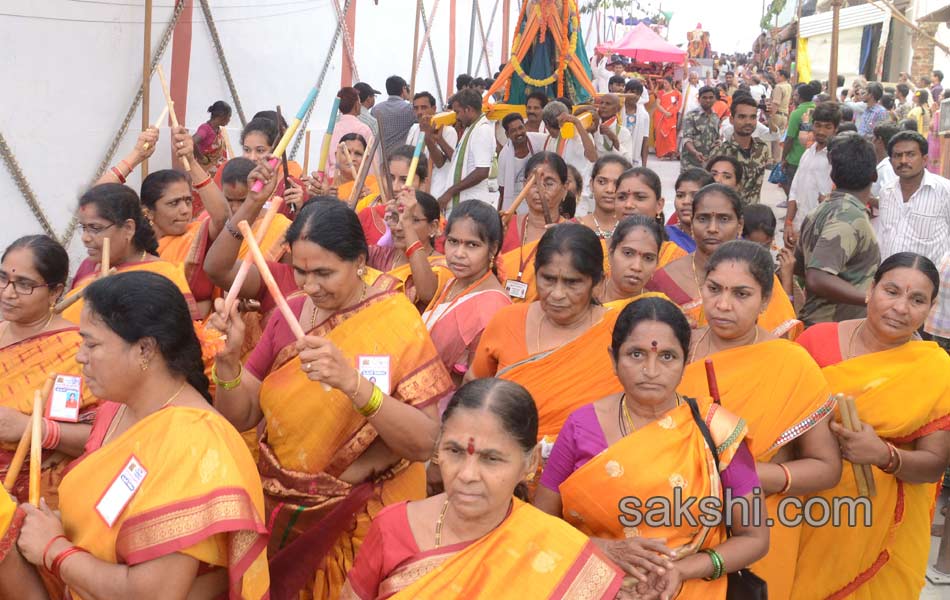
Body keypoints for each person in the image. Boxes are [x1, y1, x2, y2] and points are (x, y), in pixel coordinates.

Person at [208, 188, 453, 599]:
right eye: (301, 272)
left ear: (359, 262)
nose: (310, 286)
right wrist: (228, 366)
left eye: (324, 273)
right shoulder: (288, 314)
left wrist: (354, 385)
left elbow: (426, 441)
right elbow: (243, 414)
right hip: (282, 512)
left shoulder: (394, 317)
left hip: (360, 516)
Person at [16, 271, 270, 599]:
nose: (80, 356)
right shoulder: (116, 408)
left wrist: (54, 550)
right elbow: (106, 515)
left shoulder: (196, 445)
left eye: (92, 343)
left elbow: (153, 593)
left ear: (145, 349)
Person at [534, 296, 770, 600]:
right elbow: (542, 524)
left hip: (693, 589)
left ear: (687, 360)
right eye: (636, 354)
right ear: (613, 358)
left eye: (668, 357)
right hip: (596, 585)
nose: (651, 369)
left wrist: (683, 570)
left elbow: (755, 537)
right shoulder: (581, 426)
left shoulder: (717, 430)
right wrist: (604, 548)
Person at [342, 378, 625, 599]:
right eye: (454, 451)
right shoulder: (392, 527)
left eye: (491, 459)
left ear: (530, 463)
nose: (467, 475)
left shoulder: (557, 549)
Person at [679, 240, 841, 600]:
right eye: (714, 289)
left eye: (741, 294)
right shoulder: (679, 349)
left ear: (766, 301)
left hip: (762, 525)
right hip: (674, 518)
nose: (723, 305)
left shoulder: (791, 363)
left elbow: (826, 468)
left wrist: (747, 477)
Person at [793, 253, 950, 600]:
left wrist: (884, 455)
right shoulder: (815, 341)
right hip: (805, 506)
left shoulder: (935, 370)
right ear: (870, 290)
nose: (900, 307)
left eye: (917, 299)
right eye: (891, 291)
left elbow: (934, 464)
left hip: (879, 521)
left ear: (931, 308)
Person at [473, 224, 636, 440]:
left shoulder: (620, 333)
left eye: (572, 282)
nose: (557, 294)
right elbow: (475, 390)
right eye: (548, 279)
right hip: (505, 464)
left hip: (587, 467)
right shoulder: (507, 320)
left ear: (597, 283)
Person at [0, 236, 97, 507]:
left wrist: (29, 428)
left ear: (55, 291)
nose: (8, 292)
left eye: (24, 284)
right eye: (3, 278)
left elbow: (101, 437)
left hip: (32, 501)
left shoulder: (75, 350)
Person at [646, 184, 800, 336]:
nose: (712, 228)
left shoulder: (759, 277)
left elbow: (780, 343)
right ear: (692, 223)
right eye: (703, 218)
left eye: (724, 219)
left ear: (740, 225)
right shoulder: (663, 280)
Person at [60, 183, 198, 323]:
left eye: (95, 228)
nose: (85, 238)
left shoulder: (163, 275)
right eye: (83, 227)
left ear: (128, 228)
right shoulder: (88, 267)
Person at [795, 133, 881, 326]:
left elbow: (800, 266)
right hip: (831, 330)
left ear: (832, 175)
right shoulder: (849, 218)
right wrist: (873, 299)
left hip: (824, 325)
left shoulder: (821, 211)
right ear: (874, 175)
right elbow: (817, 277)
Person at [143, 131, 230, 318]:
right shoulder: (135, 250)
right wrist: (136, 155)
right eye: (174, 203)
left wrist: (191, 161)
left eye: (188, 201)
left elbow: (222, 218)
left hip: (204, 338)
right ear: (148, 211)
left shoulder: (198, 234)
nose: (185, 210)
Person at [422, 201, 510, 380]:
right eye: (453, 242)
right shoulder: (453, 282)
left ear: (492, 248)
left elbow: (477, 382)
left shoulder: (493, 307)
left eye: (472, 245)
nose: (459, 253)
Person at [497, 152, 569, 303]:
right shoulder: (505, 224)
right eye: (534, 183)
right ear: (524, 186)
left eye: (549, 183)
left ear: (565, 189)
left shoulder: (572, 234)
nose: (540, 190)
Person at [879, 131, 950, 264]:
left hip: (930, 280)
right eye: (897, 155)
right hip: (890, 277)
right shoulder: (886, 192)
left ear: (924, 159)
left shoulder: (945, 191)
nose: (903, 161)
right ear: (890, 161)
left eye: (910, 154)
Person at [370, 189, 449, 308]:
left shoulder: (443, 266)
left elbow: (428, 295)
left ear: (433, 227)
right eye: (396, 218)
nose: (398, 227)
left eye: (413, 220)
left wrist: (407, 224)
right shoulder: (377, 255)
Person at [784, 102, 840, 246]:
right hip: (798, 227)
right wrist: (788, 223)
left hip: (821, 232)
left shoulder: (836, 159)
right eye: (818, 125)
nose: (821, 131)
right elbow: (794, 191)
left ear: (835, 129)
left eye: (827, 127)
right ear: (812, 125)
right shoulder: (808, 153)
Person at [614, 167, 686, 267]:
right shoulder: (599, 250)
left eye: (640, 197)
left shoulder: (676, 258)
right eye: (621, 197)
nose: (628, 205)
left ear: (659, 205)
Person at [439, 89, 494, 211]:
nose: (456, 117)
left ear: (468, 109)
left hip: (472, 204)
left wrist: (450, 191)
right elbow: (457, 160)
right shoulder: (471, 129)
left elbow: (482, 171)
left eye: (457, 112)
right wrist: (439, 140)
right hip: (466, 203)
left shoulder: (482, 130)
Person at [714, 94, 771, 206]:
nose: (748, 122)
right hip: (728, 215)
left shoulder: (762, 148)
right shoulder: (721, 152)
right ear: (731, 119)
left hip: (752, 216)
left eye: (753, 117)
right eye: (742, 117)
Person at [595, 215, 662, 305]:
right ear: (611, 255)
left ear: (657, 263)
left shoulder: (657, 311)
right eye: (628, 253)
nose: (637, 267)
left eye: (648, 258)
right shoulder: (585, 297)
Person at [406, 91, 456, 199]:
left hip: (437, 190)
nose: (419, 112)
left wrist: (427, 136)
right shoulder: (414, 128)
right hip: (415, 189)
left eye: (424, 107)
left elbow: (439, 163)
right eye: (416, 108)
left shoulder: (448, 131)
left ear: (434, 109)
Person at [576, 154, 631, 240]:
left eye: (617, 184)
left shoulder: (635, 231)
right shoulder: (574, 226)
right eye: (602, 182)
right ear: (591, 184)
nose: (609, 190)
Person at [327, 87, 375, 176]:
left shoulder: (332, 130)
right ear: (357, 104)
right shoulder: (364, 129)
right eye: (360, 102)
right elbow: (372, 162)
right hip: (356, 181)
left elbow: (325, 160)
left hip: (333, 179)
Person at [783, 82, 819, 192]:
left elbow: (790, 138)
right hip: (814, 157)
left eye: (795, 95)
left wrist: (783, 158)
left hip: (796, 158)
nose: (793, 97)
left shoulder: (797, 113)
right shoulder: (817, 110)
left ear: (800, 97)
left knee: (792, 189)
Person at [668, 168, 715, 253]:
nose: (685, 202)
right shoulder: (664, 237)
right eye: (680, 195)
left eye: (694, 195)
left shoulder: (726, 239)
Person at [496, 113, 537, 210]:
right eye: (513, 131)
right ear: (507, 134)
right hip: (516, 204)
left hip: (537, 197)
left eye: (520, 128)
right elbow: (503, 190)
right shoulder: (504, 156)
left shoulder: (538, 140)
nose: (519, 133)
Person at [371, 75, 416, 157]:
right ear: (403, 89)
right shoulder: (409, 109)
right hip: (398, 156)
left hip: (379, 156)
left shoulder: (375, 109)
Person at [679, 86, 721, 169]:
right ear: (699, 99)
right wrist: (695, 152)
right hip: (691, 163)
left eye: (711, 97)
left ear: (715, 99)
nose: (708, 100)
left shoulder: (715, 117)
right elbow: (687, 139)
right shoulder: (691, 116)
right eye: (704, 98)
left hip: (708, 164)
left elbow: (717, 138)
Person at [592, 93, 631, 159]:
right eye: (601, 103)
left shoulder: (624, 132)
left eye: (608, 104)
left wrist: (614, 139)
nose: (603, 106)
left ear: (618, 109)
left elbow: (628, 161)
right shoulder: (591, 126)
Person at [622, 79, 651, 167]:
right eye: (633, 92)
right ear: (626, 91)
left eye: (638, 94)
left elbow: (645, 141)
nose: (635, 96)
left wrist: (644, 166)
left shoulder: (644, 115)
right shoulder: (617, 109)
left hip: (633, 159)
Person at [653, 78, 681, 160]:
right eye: (664, 83)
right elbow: (657, 104)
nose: (664, 85)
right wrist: (665, 112)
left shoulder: (676, 93)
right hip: (661, 116)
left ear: (671, 83)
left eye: (666, 83)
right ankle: (661, 154)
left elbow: (678, 105)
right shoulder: (660, 93)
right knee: (660, 135)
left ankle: (671, 153)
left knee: (670, 135)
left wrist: (671, 112)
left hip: (671, 116)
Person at [770, 69, 793, 159]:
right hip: (785, 114)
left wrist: (771, 115)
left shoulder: (779, 87)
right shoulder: (789, 86)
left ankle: (774, 159)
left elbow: (776, 103)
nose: (776, 77)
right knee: (779, 138)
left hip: (777, 114)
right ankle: (778, 159)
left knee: (774, 138)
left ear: (782, 76)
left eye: (777, 75)